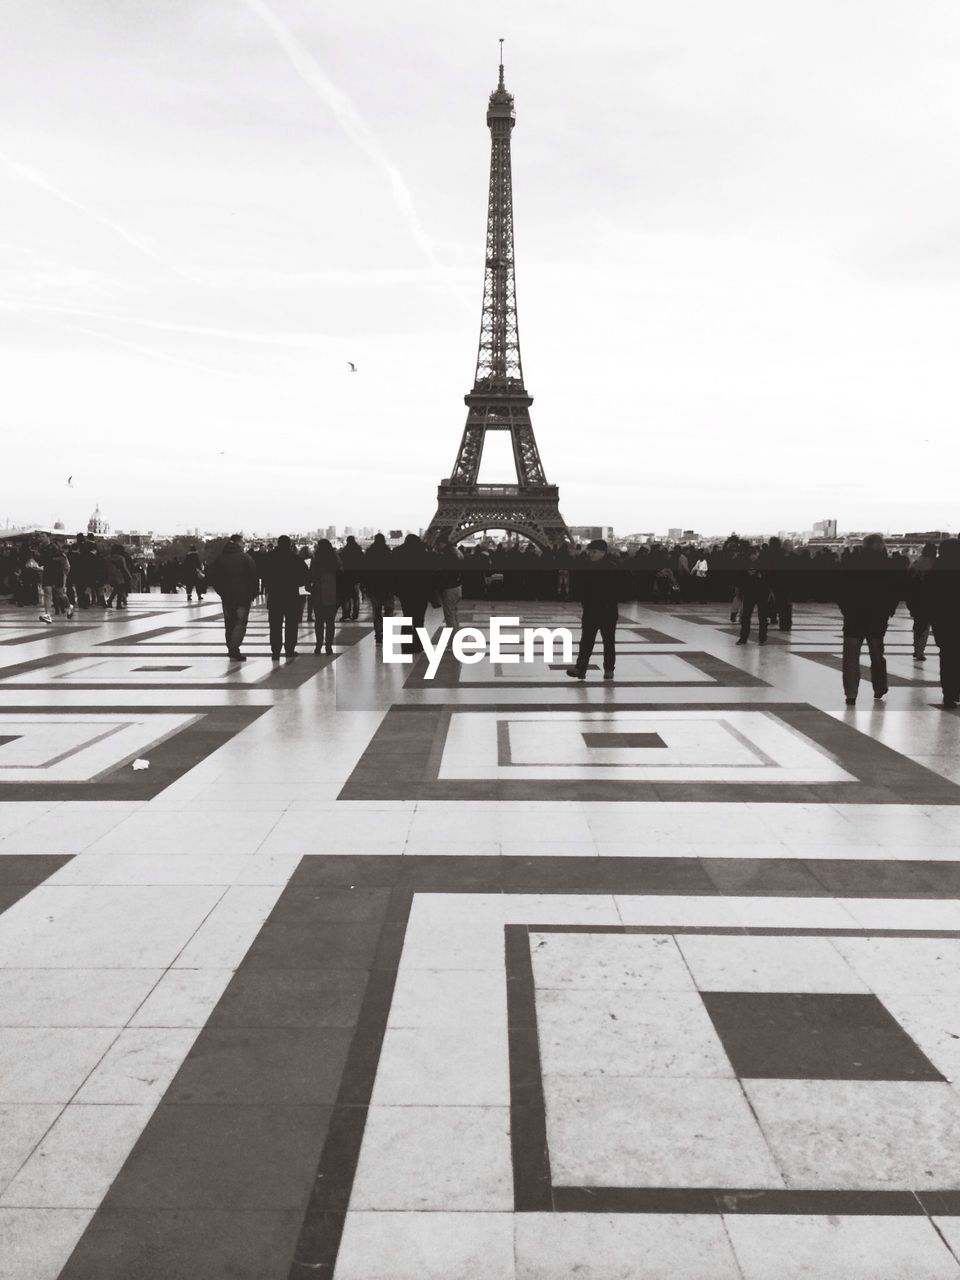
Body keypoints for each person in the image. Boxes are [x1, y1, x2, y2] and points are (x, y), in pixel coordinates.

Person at [836, 533, 902, 706]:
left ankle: (851, 693)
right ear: (880, 546)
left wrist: (846, 609)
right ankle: (879, 687)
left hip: (854, 616)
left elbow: (839, 589)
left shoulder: (851, 563)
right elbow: (895, 591)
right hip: (876, 617)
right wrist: (889, 611)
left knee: (850, 657)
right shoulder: (887, 565)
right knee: (877, 654)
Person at [566, 539, 626, 680]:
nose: (590, 554)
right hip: (591, 609)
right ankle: (581, 669)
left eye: (594, 552)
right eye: (590, 551)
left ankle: (608, 669)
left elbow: (621, 589)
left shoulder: (612, 568)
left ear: (602, 552)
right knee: (586, 641)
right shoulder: (587, 567)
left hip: (607, 610)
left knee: (608, 642)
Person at [206, 535, 259, 662]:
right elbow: (253, 577)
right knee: (240, 622)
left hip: (227, 596)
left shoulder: (221, 558)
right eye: (243, 542)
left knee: (229, 623)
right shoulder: (245, 557)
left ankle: (231, 648)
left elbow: (212, 576)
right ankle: (234, 648)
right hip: (242, 597)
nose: (244, 544)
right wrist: (252, 594)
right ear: (238, 543)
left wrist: (221, 591)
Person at [925, 538, 960, 709]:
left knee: (947, 656)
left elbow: (929, 595)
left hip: (942, 620)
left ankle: (948, 692)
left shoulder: (936, 569)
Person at [262, 535, 309, 660]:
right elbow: (304, 578)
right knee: (291, 625)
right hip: (291, 595)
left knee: (275, 625)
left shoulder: (270, 558)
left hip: (275, 595)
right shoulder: (296, 559)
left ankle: (275, 651)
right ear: (289, 545)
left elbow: (263, 575)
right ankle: (289, 649)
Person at [392, 533, 434, 655]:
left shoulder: (398, 552)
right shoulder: (424, 553)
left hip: (405, 590)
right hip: (422, 590)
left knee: (407, 617)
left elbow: (393, 573)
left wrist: (397, 590)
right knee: (419, 620)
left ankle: (405, 646)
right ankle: (418, 645)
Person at [906, 541, 937, 662]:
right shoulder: (935, 564)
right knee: (925, 626)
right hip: (929, 600)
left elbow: (908, 582)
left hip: (915, 599)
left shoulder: (916, 563)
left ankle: (916, 648)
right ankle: (920, 651)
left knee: (918, 624)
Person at [363, 532, 395, 646]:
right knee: (388, 611)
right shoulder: (388, 553)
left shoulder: (369, 554)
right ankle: (387, 632)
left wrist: (365, 586)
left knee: (376, 611)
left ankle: (378, 634)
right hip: (387, 587)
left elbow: (365, 572)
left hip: (373, 587)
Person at [308, 539, 340, 654]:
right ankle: (329, 645)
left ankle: (319, 644)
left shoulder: (316, 559)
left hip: (318, 592)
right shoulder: (334, 559)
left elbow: (311, 575)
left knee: (319, 621)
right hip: (332, 591)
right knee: (330, 621)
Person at [735, 546, 771, 645]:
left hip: (761, 593)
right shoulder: (745, 564)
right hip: (749, 593)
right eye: (752, 554)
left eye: (755, 554)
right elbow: (741, 579)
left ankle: (762, 638)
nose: (753, 556)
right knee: (746, 616)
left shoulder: (763, 564)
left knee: (762, 617)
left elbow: (768, 578)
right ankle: (743, 638)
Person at [435, 536, 464, 629]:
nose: (436, 548)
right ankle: (455, 639)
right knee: (453, 614)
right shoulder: (456, 553)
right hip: (457, 587)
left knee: (449, 617)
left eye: (437, 546)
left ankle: (453, 641)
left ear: (440, 544)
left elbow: (444, 574)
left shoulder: (447, 554)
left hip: (450, 588)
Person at [339, 535, 364, 621]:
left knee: (346, 597)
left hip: (347, 576)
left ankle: (346, 614)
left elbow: (341, 562)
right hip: (356, 577)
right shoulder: (358, 550)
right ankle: (355, 614)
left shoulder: (345, 550)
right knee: (356, 597)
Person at [106, 543, 133, 609]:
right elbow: (124, 568)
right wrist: (129, 575)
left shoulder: (108, 557)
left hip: (110, 575)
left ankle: (110, 601)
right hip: (119, 574)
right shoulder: (121, 557)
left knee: (116, 588)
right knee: (121, 588)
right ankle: (118, 604)